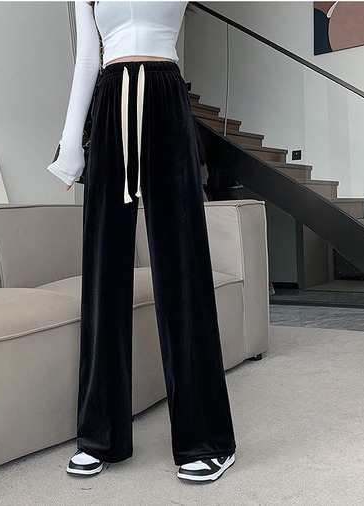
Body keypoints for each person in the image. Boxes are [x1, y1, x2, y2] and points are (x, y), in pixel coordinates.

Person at [47, 1, 236, 483]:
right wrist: (70, 147)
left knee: (182, 267)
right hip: (110, 100)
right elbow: (87, 57)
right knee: (103, 274)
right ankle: (100, 435)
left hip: (166, 98)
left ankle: (207, 437)